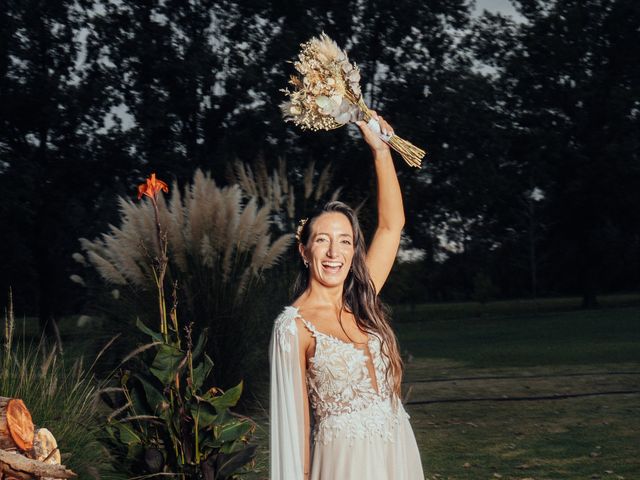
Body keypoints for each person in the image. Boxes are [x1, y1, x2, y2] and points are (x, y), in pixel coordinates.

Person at [269, 112, 425, 480]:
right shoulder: (294, 327)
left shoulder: (362, 299)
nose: (333, 253)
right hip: (345, 465)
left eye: (345, 241)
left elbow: (391, 225)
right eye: (322, 240)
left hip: (397, 454)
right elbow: (294, 429)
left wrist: (381, 152)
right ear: (305, 251)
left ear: (354, 251)